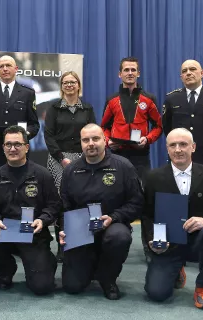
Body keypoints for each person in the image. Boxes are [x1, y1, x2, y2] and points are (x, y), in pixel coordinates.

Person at [143, 128, 203, 310]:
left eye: (183, 144)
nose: (178, 149)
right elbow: (146, 215)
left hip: (199, 241)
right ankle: (177, 270)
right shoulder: (153, 177)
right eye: (173, 145)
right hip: (168, 244)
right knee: (157, 293)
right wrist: (152, 240)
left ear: (193, 147)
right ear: (167, 149)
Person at [59, 124, 143, 300]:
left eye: (95, 139)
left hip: (112, 226)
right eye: (86, 140)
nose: (91, 144)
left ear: (105, 140)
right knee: (72, 286)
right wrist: (63, 228)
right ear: (81, 144)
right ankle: (91, 265)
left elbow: (137, 203)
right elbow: (64, 206)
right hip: (81, 229)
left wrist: (114, 217)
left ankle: (108, 279)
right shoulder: (70, 170)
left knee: (120, 236)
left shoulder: (123, 167)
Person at [0, 125, 61, 295]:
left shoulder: (42, 175)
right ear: (3, 147)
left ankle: (46, 261)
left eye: (17, 144)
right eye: (8, 145)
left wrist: (43, 219)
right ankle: (7, 270)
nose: (13, 149)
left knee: (42, 288)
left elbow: (54, 205)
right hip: (5, 234)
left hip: (33, 235)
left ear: (27, 147)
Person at [100, 57, 163, 262]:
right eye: (126, 70)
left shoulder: (149, 99)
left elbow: (159, 127)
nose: (129, 73)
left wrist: (148, 139)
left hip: (140, 157)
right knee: (113, 197)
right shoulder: (112, 99)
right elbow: (103, 127)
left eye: (133, 70)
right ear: (120, 74)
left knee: (147, 199)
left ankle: (150, 246)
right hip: (116, 155)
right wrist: (108, 141)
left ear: (138, 73)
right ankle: (110, 243)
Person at [44, 71, 96, 262]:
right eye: (65, 82)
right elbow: (48, 135)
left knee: (81, 199)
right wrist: (61, 158)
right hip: (59, 160)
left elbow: (92, 133)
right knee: (61, 203)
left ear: (78, 85)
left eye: (72, 82)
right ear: (62, 86)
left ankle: (81, 241)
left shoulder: (87, 108)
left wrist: (85, 156)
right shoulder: (54, 108)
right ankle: (61, 246)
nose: (69, 85)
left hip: (84, 159)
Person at [0, 55, 39, 174]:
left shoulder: (27, 93)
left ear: (16, 69)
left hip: (19, 155)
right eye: (1, 66)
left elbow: (34, 125)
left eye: (8, 65)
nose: (5, 69)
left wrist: (24, 135)